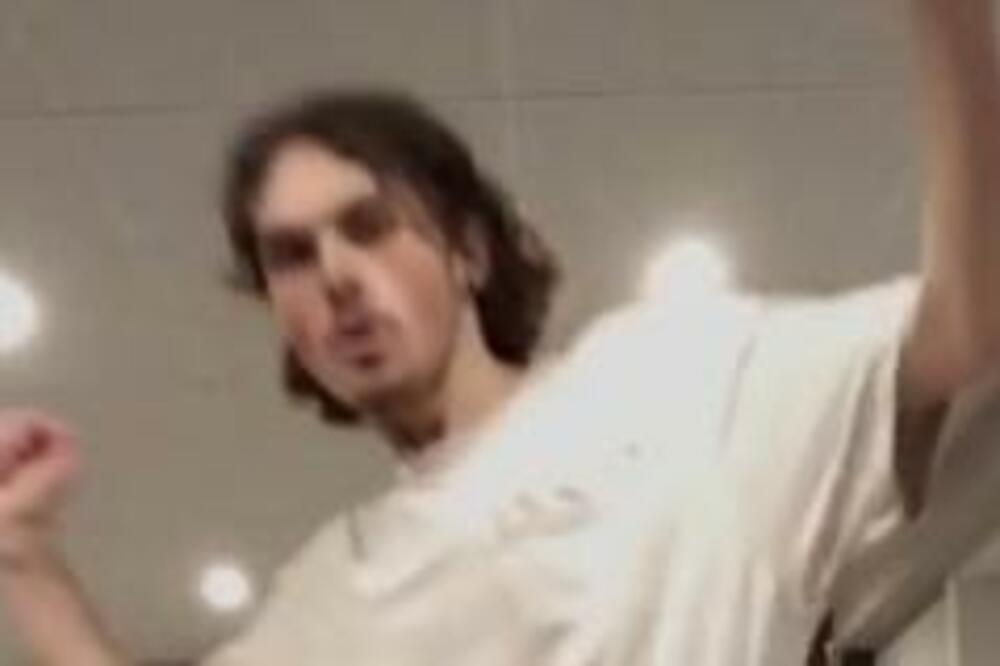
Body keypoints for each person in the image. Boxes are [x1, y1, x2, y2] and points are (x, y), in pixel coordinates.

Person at [1, 0, 998, 663]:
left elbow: (969, 322)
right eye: (292, 256)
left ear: (469, 251)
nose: (336, 275)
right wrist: (27, 561)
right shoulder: (331, 597)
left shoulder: (680, 377)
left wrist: (950, 19)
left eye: (370, 226)